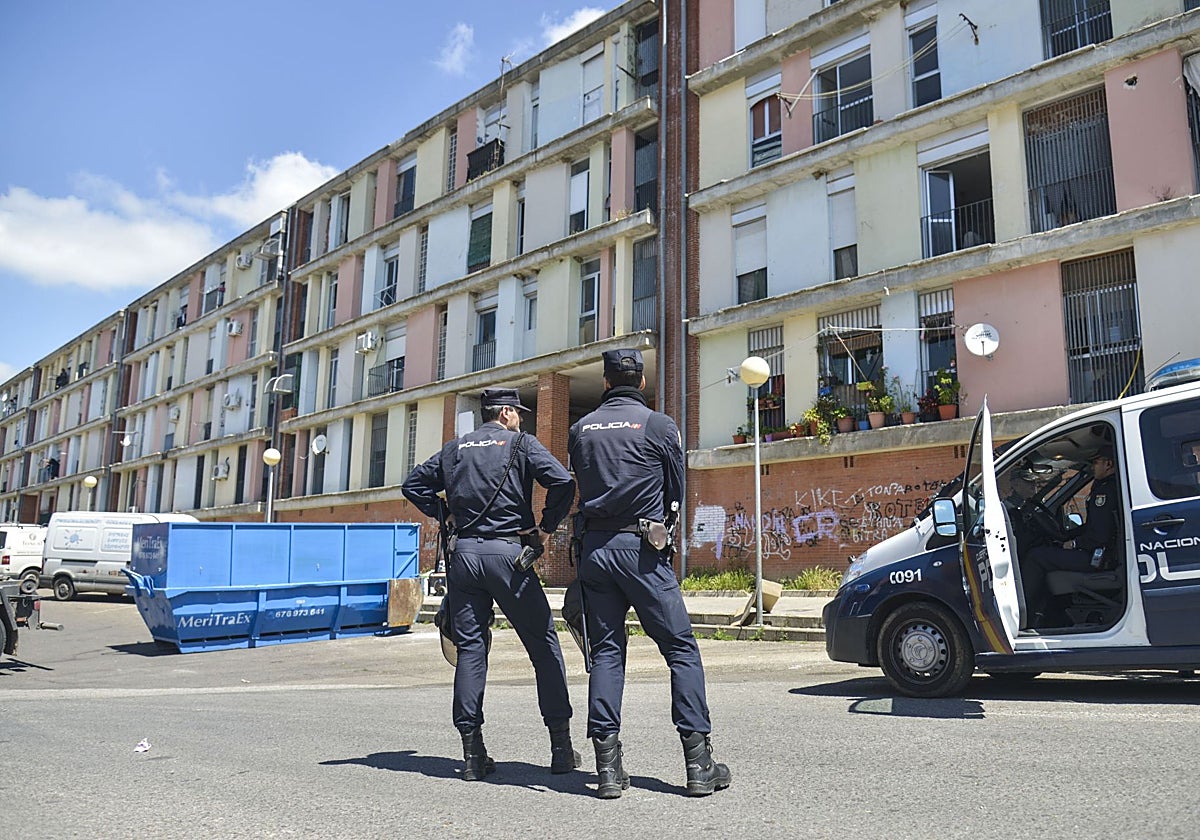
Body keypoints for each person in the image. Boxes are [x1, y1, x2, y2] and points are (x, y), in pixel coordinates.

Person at [567, 348, 731, 799]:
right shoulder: (658, 425)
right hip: (641, 551)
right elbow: (677, 488)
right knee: (680, 649)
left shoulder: (580, 430)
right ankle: (698, 764)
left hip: (596, 551)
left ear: (604, 383)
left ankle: (606, 768)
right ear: (641, 382)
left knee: (605, 654)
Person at [401, 387, 578, 781]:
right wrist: (545, 528)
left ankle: (472, 755)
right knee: (543, 646)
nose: (521, 418)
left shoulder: (454, 449)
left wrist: (445, 514)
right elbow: (562, 482)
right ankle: (561, 749)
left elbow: (413, 486)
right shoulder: (521, 444)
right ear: (505, 413)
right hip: (508, 557)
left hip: (463, 558)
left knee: (471, 652)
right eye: (518, 412)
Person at [1024, 445, 1121, 624]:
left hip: (1098, 557)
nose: (1093, 466)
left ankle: (1026, 614)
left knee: (1035, 556)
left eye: (1095, 462)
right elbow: (1092, 526)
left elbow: (1099, 535)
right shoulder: (1110, 486)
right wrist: (1067, 535)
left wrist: (1073, 543)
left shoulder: (1105, 492)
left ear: (1108, 464)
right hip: (1103, 553)